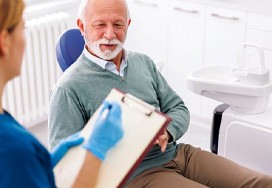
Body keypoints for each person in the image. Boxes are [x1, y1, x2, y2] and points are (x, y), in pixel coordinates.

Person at [48, 0, 272, 187]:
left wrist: (168, 132)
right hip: (139, 174)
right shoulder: (68, 89)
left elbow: (179, 108)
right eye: (100, 25)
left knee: (261, 182)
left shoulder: (142, 63)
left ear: (128, 24)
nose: (110, 34)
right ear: (82, 26)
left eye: (117, 24)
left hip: (179, 154)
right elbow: (66, 168)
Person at [0, 0, 123, 187]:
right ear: (4, 41)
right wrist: (95, 151)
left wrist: (44, 162)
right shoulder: (15, 151)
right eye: (22, 29)